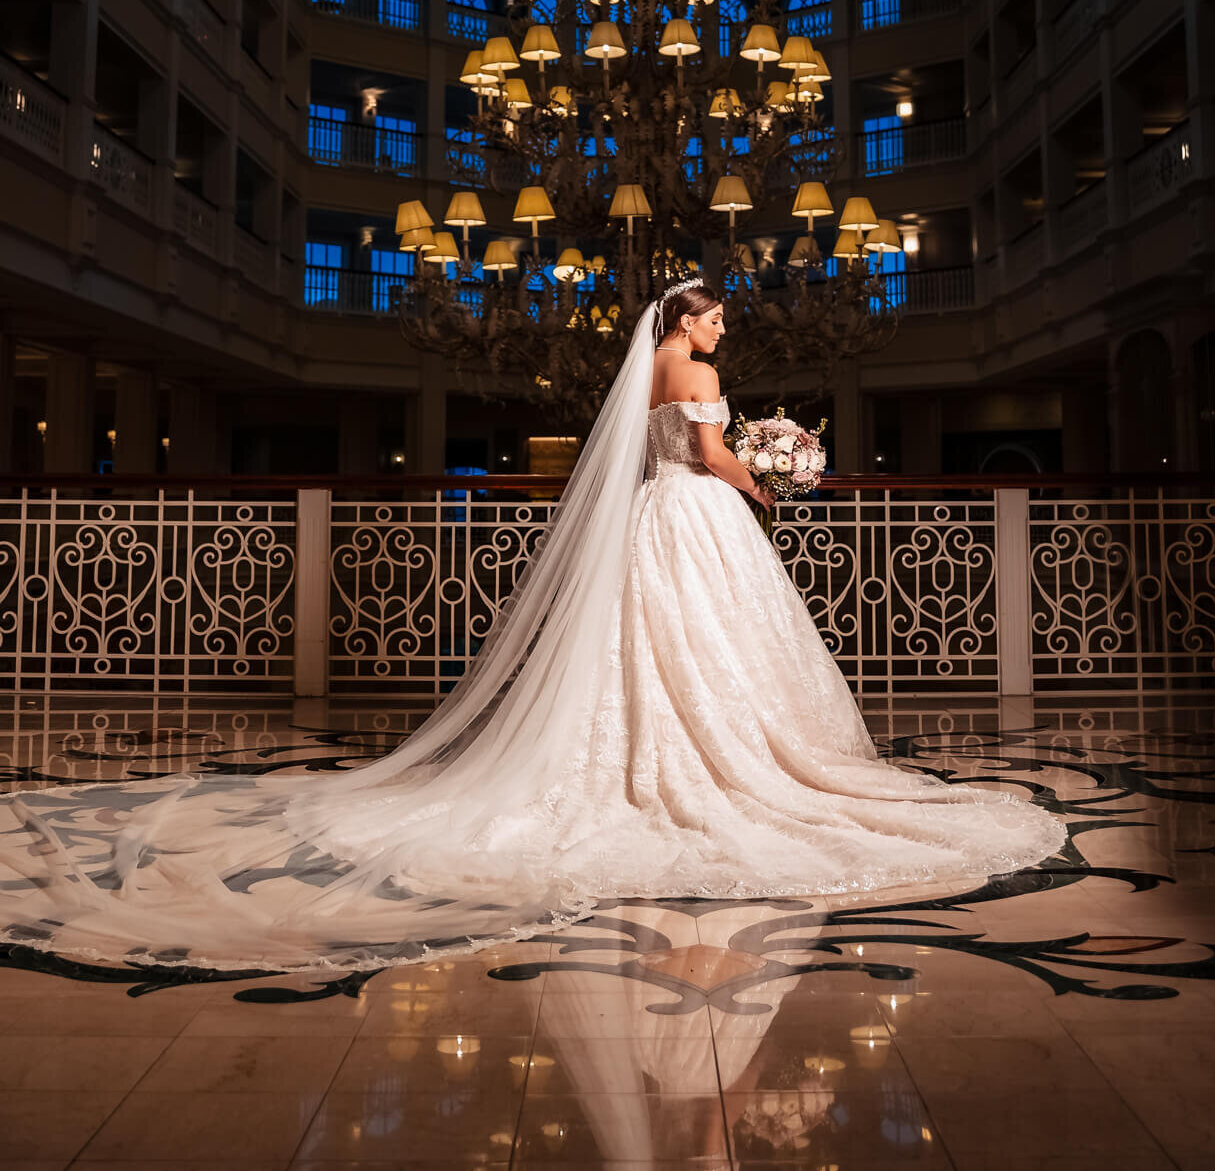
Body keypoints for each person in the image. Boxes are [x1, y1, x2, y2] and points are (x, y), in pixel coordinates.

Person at [0, 282, 1060, 974]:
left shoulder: (647, 373)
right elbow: (706, 460)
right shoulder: (697, 379)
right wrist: (774, 483)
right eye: (717, 317)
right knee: (709, 649)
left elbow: (661, 454)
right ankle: (716, 766)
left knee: (647, 652)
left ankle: (660, 752)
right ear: (687, 321)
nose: (724, 329)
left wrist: (762, 467)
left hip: (651, 525)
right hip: (694, 518)